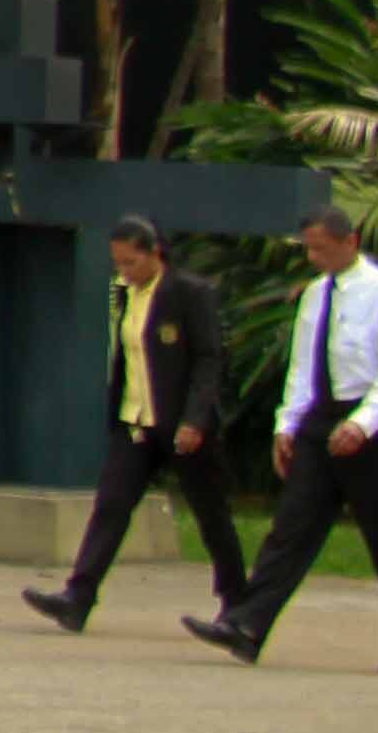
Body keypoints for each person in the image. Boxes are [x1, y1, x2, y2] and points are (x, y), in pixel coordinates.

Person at [186, 201, 378, 676]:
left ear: (350, 242)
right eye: (309, 249)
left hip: (373, 423)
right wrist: (287, 424)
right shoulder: (315, 296)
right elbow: (302, 367)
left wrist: (362, 424)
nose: (314, 258)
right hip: (320, 418)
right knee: (291, 528)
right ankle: (247, 624)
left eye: (322, 249)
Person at [22, 216, 246, 633]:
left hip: (181, 424)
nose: (124, 271)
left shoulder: (188, 293)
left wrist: (195, 419)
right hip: (135, 422)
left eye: (131, 262)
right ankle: (78, 596)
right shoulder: (127, 295)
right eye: (118, 264)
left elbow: (208, 360)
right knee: (111, 505)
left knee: (210, 513)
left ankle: (236, 602)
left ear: (154, 253)